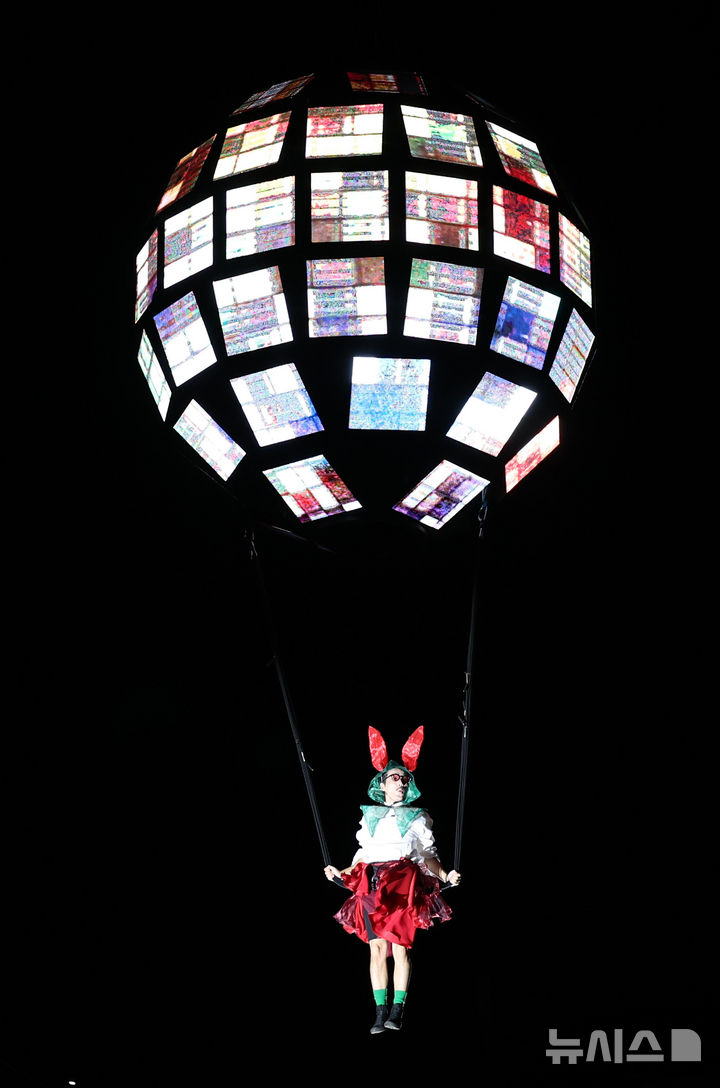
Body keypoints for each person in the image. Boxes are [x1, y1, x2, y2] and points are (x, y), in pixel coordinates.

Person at [324, 725, 461, 1034]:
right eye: (395, 778)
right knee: (376, 948)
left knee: (400, 948)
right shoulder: (369, 816)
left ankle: (398, 1008)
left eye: (405, 779)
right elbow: (362, 855)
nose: (401, 783)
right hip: (372, 880)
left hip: (402, 882)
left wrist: (445, 873)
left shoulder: (418, 816)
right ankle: (379, 1011)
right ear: (382, 783)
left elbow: (428, 854)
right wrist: (341, 872)